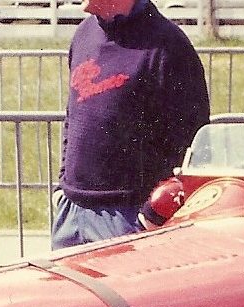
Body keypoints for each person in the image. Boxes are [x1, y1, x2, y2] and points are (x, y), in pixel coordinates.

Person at [50, 0, 209, 250]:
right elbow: (73, 116)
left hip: (127, 218)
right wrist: (63, 188)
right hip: (71, 214)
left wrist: (151, 215)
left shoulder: (169, 47)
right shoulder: (83, 34)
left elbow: (193, 144)